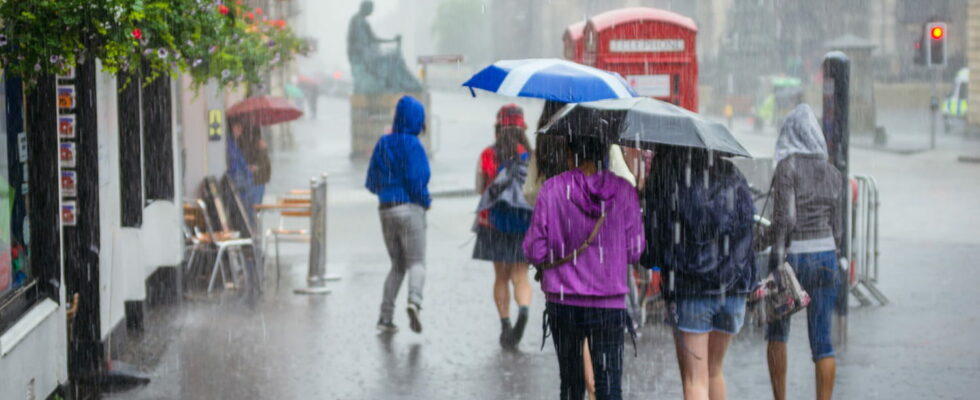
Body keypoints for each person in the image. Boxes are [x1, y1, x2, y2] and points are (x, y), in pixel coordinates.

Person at [523, 134, 645, 400]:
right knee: (609, 385)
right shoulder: (624, 191)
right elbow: (635, 251)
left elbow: (535, 250)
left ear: (570, 153)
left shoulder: (553, 189)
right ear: (604, 153)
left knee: (571, 382)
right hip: (609, 303)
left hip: (563, 302)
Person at [642, 146, 756, 400]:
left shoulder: (670, 177)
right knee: (715, 371)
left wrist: (653, 259)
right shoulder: (734, 175)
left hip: (692, 289)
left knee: (695, 380)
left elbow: (654, 239)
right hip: (732, 288)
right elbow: (748, 231)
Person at [764, 104, 842, 400]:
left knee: (777, 333)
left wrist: (774, 255)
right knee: (822, 341)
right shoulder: (832, 172)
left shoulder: (787, 167)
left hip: (793, 257)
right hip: (825, 257)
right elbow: (838, 228)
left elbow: (785, 219)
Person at [365, 95, 430, 334]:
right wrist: (425, 201)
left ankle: (385, 317)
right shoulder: (413, 145)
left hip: (385, 209)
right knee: (416, 263)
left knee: (397, 265)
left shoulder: (383, 143)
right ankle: (414, 301)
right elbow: (417, 180)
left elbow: (371, 182)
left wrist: (386, 192)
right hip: (410, 208)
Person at [473, 104, 534, 349]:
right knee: (521, 276)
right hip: (523, 222)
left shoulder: (488, 154)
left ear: (499, 127)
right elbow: (536, 191)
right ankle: (525, 311)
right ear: (522, 129)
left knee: (500, 276)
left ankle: (506, 324)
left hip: (493, 223)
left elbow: (480, 189)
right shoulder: (530, 155)